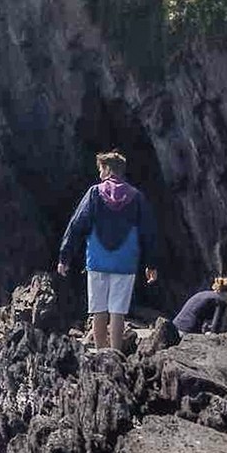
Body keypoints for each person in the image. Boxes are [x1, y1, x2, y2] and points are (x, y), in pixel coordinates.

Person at [56, 150, 158, 351]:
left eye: (101, 169)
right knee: (118, 311)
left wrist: (64, 257)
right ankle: (116, 353)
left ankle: (101, 352)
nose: (100, 174)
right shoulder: (136, 197)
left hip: (97, 260)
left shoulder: (94, 193)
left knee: (98, 309)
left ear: (108, 169)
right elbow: (149, 233)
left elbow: (77, 225)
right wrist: (151, 264)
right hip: (125, 261)